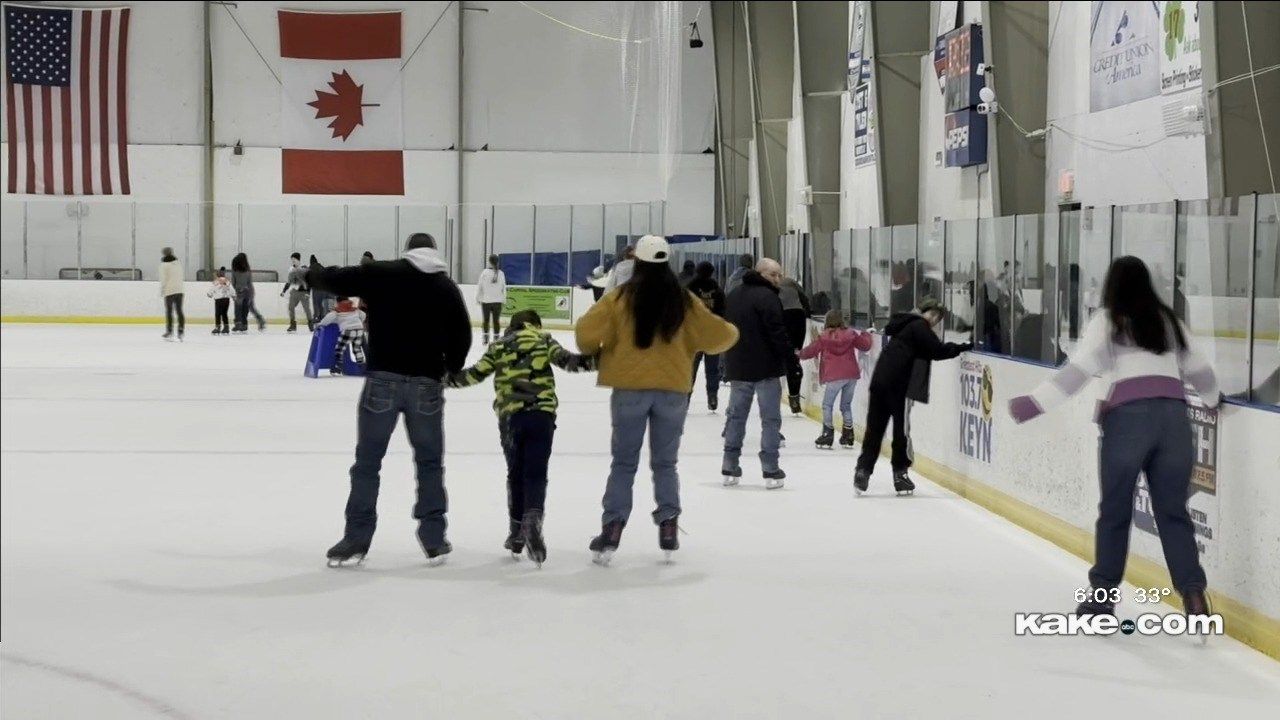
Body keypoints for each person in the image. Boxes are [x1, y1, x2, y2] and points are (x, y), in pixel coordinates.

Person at [1008, 256, 1218, 622]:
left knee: (1115, 513)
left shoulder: (1109, 321)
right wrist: (1216, 401)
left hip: (1128, 421)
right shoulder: (1170, 322)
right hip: (1175, 421)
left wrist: (1034, 403)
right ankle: (1194, 594)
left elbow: (1077, 373)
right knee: (1173, 513)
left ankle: (1102, 600)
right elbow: (1202, 374)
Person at [308, 233, 472, 567]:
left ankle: (356, 538)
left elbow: (340, 278)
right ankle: (434, 537)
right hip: (426, 384)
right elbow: (462, 335)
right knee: (429, 463)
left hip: (382, 381)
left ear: (408, 252)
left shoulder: (383, 273)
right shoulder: (446, 287)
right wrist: (449, 367)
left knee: (367, 463)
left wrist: (314, 274)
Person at [575, 235, 738, 564]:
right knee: (665, 463)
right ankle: (668, 524)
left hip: (629, 390)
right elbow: (721, 335)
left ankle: (612, 528)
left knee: (624, 463)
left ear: (637, 262)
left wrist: (599, 349)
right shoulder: (684, 301)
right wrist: (695, 343)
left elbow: (585, 334)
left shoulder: (620, 297)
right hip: (673, 390)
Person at [447, 309, 597, 566]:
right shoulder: (543, 339)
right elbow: (569, 362)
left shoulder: (499, 346)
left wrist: (443, 379)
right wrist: (601, 360)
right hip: (541, 416)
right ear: (535, 324)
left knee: (515, 474)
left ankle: (517, 532)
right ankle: (532, 519)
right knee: (536, 473)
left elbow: (474, 374)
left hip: (511, 419)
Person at [854, 297, 970, 496]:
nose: (934, 319)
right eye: (932, 314)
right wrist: (962, 347)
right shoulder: (919, 326)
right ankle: (900, 474)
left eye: (938, 318)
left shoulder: (904, 325)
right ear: (923, 311)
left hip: (880, 381)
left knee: (875, 429)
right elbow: (937, 350)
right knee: (901, 431)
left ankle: (863, 471)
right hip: (898, 385)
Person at [721, 258, 793, 489]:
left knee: (736, 417)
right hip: (766, 368)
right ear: (760, 273)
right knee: (770, 419)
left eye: (779, 274)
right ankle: (770, 467)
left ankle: (730, 463)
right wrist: (790, 359)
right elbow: (777, 331)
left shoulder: (734, 295)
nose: (777, 279)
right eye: (773, 274)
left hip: (739, 366)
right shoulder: (768, 297)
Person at [800, 310, 873, 449]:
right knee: (846, 405)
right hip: (851, 375)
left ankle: (827, 433)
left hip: (834, 376)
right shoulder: (851, 334)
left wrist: (799, 354)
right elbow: (865, 345)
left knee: (827, 405)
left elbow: (811, 351)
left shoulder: (824, 336)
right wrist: (866, 334)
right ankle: (848, 434)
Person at [685, 261, 726, 412]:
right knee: (712, 369)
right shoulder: (717, 289)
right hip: (712, 336)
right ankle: (712, 396)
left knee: (691, 368)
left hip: (694, 336)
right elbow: (722, 311)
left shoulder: (690, 288)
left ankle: (686, 397)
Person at [777, 271, 812, 414]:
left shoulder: (771, 287)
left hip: (783, 317)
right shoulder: (791, 282)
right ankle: (794, 397)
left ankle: (776, 396)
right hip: (798, 317)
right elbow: (804, 299)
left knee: (781, 358)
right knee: (794, 356)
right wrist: (808, 313)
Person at [317, 297, 368, 376]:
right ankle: (361, 366)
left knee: (339, 348)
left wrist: (320, 324)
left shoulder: (337, 310)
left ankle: (338, 366)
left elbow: (327, 319)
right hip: (359, 329)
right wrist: (359, 321)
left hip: (348, 330)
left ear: (338, 302)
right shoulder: (354, 308)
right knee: (357, 349)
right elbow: (363, 315)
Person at [230, 253, 266, 333]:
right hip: (246, 291)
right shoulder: (246, 270)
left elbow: (234, 283)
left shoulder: (237, 271)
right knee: (247, 308)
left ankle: (240, 324)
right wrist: (251, 294)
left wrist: (234, 292)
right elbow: (248, 283)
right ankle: (246, 323)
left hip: (242, 292)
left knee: (239, 309)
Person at [476, 254, 507, 344]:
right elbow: (504, 287)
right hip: (498, 301)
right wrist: (504, 299)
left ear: (489, 262)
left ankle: (486, 338)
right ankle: (496, 338)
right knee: (496, 321)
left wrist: (478, 298)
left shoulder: (484, 273)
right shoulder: (501, 273)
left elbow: (480, 286)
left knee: (486, 320)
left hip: (486, 301)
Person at [280, 252, 313, 333]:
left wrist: (308, 292)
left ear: (298, 259)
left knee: (307, 309)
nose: (293, 261)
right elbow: (289, 282)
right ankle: (293, 325)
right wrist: (284, 291)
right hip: (294, 292)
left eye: (294, 259)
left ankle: (310, 324)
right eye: (292, 259)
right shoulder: (291, 269)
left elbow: (309, 282)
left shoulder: (304, 268)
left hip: (303, 293)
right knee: (290, 307)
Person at [159, 247, 185, 341]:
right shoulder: (178, 264)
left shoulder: (164, 265)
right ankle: (181, 331)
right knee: (179, 310)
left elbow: (163, 279)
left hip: (169, 290)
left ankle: (169, 332)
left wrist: (162, 290)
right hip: (180, 290)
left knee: (169, 311)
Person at [206, 268, 236, 335]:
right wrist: (233, 296)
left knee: (218, 314)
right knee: (224, 314)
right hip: (226, 300)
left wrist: (209, 294)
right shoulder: (227, 281)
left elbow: (210, 292)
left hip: (219, 300)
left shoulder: (216, 282)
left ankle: (218, 328)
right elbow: (232, 290)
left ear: (217, 275)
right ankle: (226, 328)